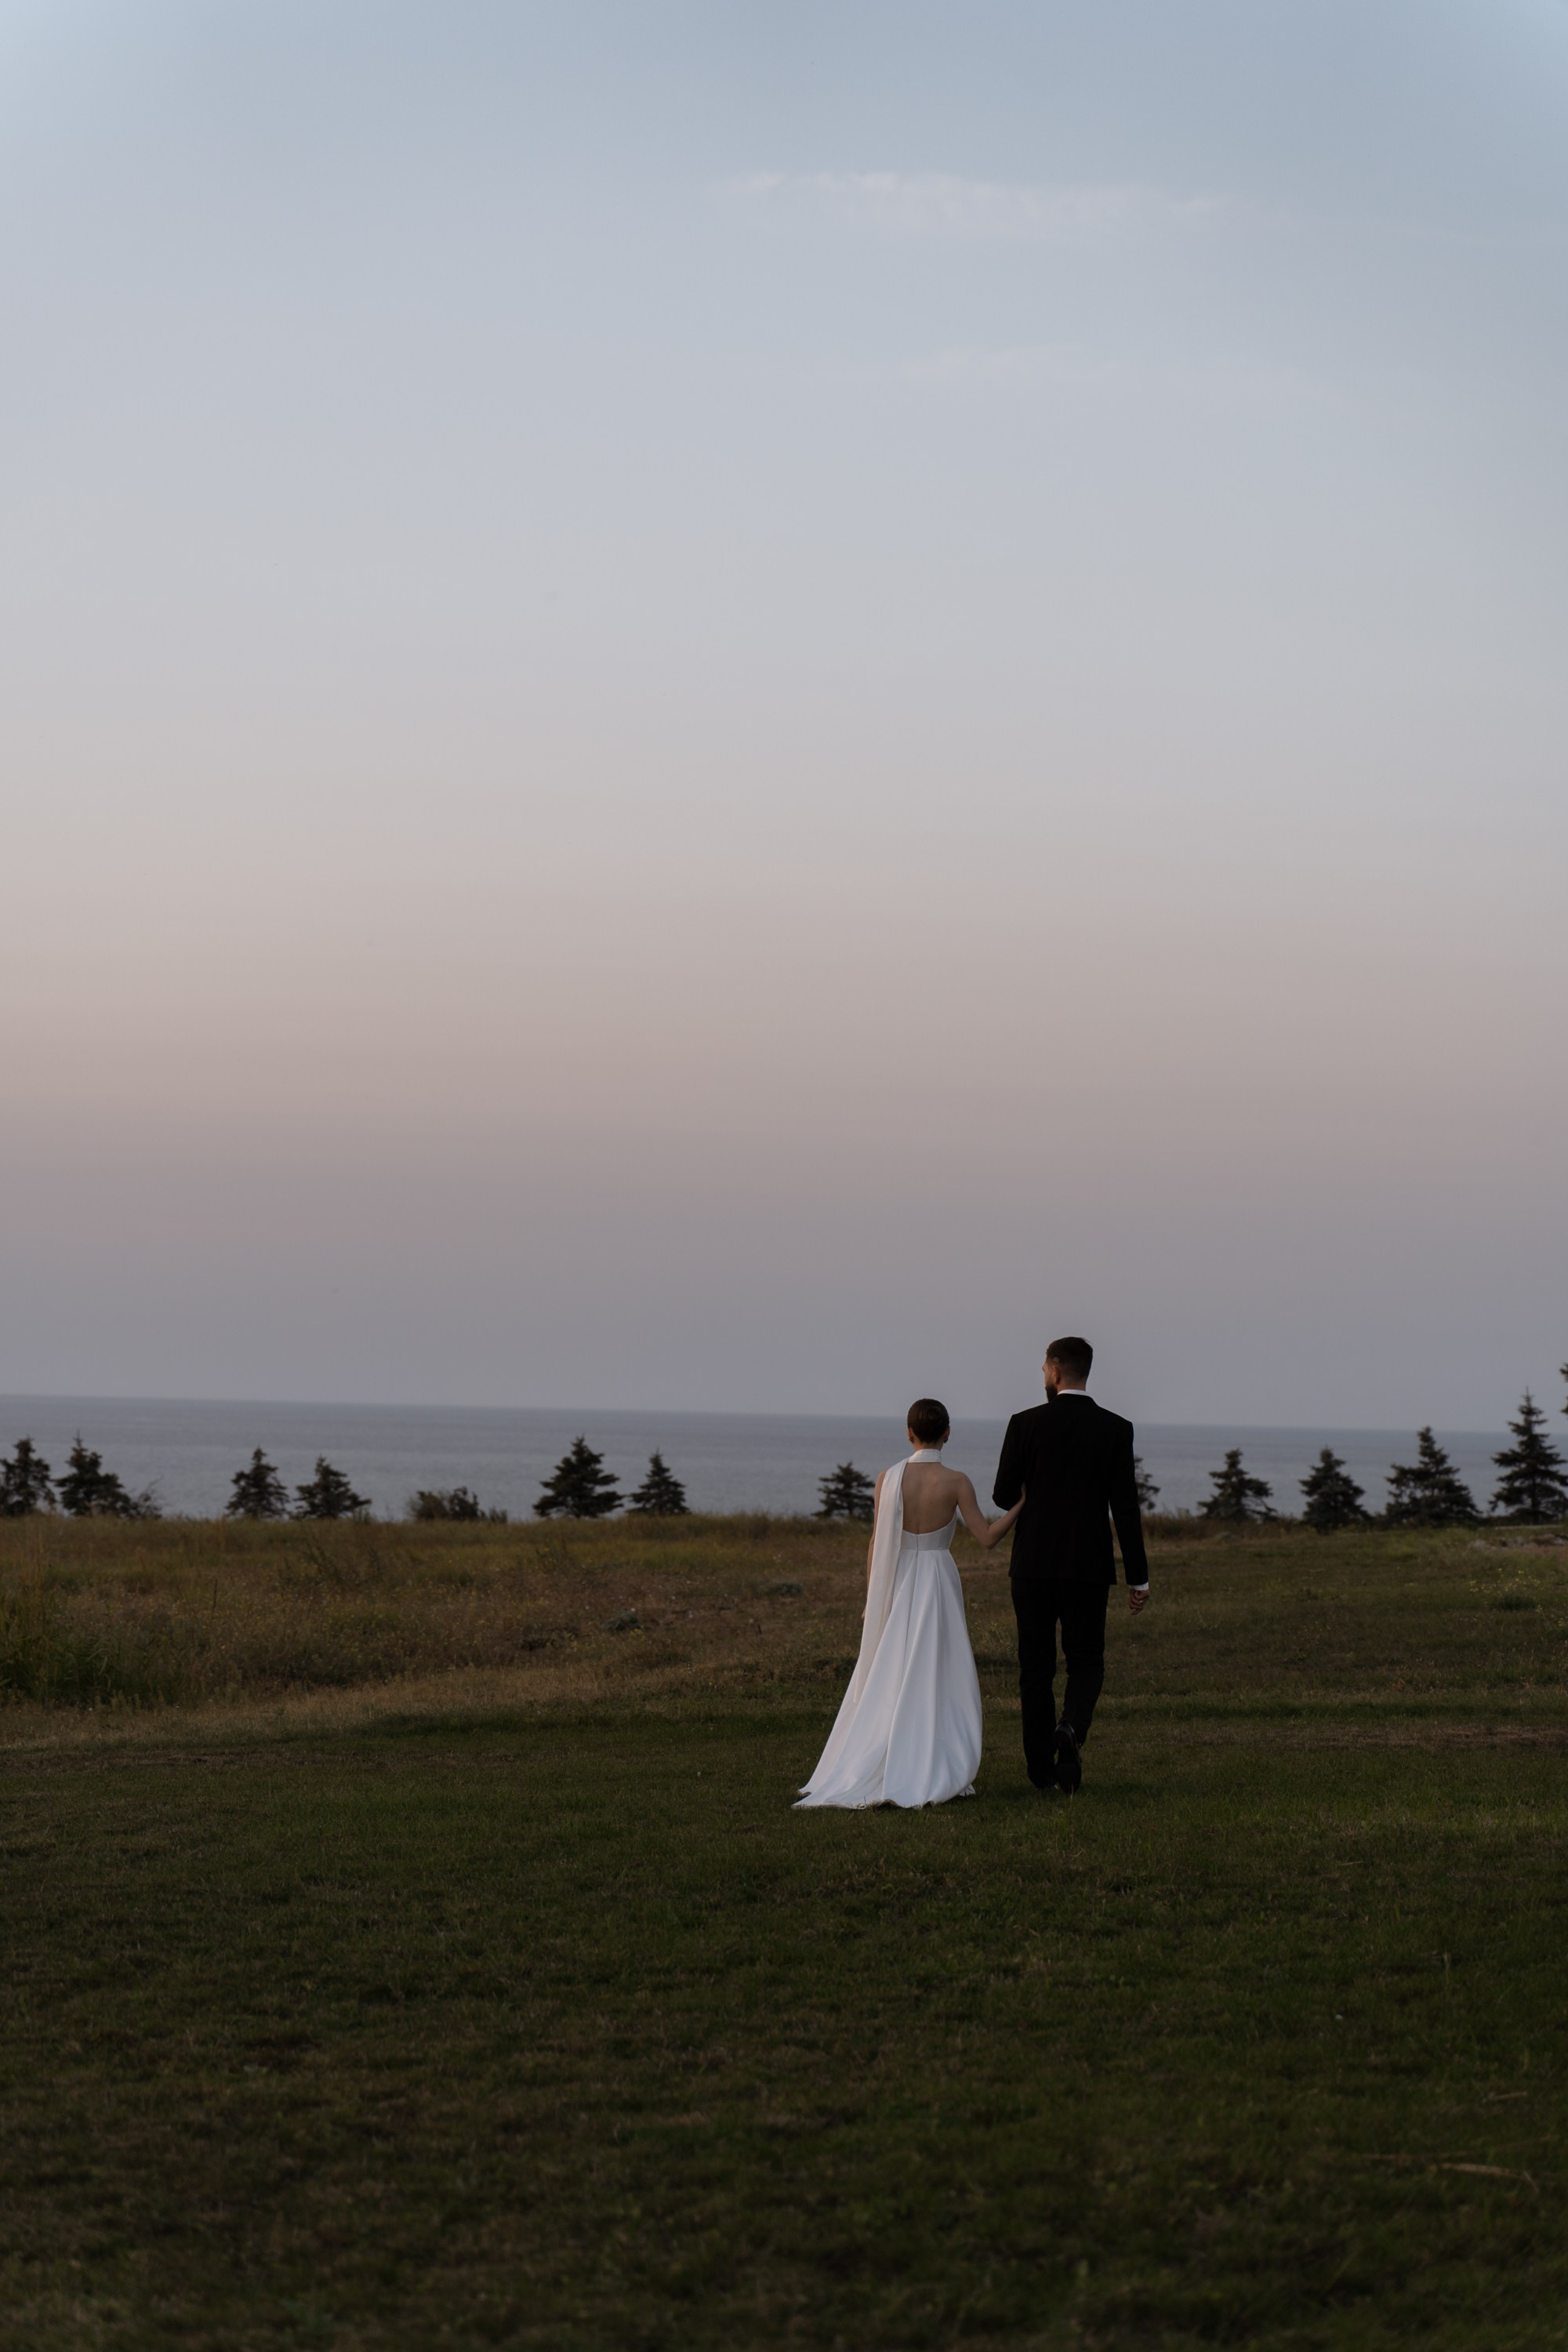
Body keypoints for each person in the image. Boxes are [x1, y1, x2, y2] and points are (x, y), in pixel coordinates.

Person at [797, 1399, 1022, 1809]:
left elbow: (876, 1543)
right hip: (936, 1580)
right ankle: (933, 1757)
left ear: (908, 1432)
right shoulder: (956, 1481)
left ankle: (882, 1753)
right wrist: (1022, 1506)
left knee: (893, 1670)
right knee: (936, 1671)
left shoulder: (888, 1478)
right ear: (948, 1432)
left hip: (896, 1581)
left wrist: (872, 1595)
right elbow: (987, 1538)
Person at [993, 1337, 1149, 1795]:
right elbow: (1126, 1508)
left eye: (1044, 1368)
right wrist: (1137, 1576)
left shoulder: (1024, 1424)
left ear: (1056, 1372)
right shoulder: (1116, 1429)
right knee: (1086, 1662)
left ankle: (1043, 1774)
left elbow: (1003, 1495)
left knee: (1035, 1669)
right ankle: (1072, 1729)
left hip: (1033, 1565)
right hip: (1087, 1565)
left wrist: (1033, 1488)